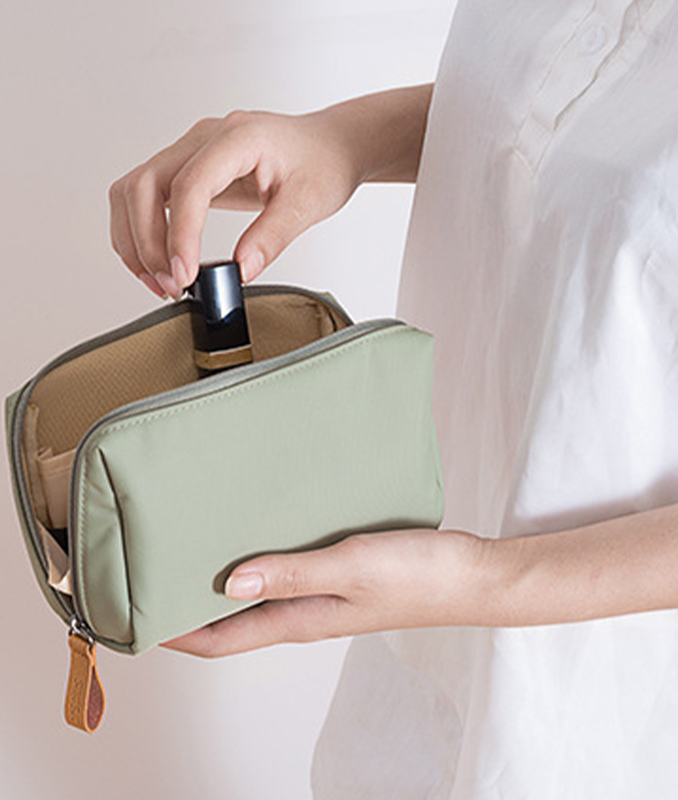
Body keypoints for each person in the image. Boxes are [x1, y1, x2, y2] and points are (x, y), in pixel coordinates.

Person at [109, 1, 678, 797]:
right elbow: (582, 103)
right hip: (426, 635)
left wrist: (485, 581)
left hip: (609, 702)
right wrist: (346, 139)